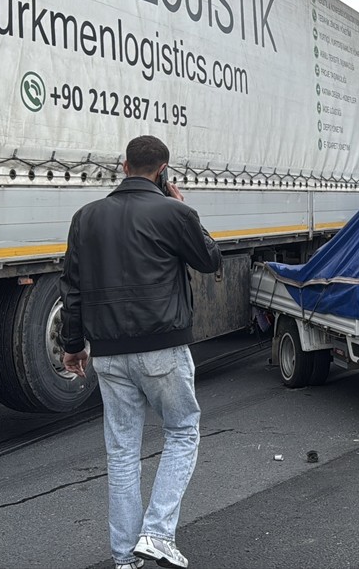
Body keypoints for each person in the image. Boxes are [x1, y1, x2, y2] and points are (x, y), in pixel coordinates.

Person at [60, 135, 222, 569]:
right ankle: (157, 533)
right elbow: (210, 260)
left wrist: (73, 346)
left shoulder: (85, 217)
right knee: (183, 430)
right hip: (162, 348)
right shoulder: (175, 212)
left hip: (109, 354)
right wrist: (186, 209)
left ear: (124, 164)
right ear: (163, 168)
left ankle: (124, 560)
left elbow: (72, 289)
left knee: (122, 452)